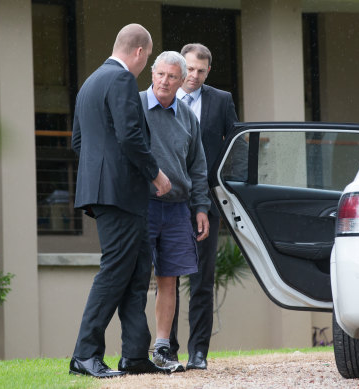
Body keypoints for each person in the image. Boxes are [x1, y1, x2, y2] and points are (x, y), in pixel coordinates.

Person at [69, 24, 172, 378]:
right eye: (147, 59)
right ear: (140, 52)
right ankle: (85, 354)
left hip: (107, 192)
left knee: (137, 271)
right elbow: (129, 135)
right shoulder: (122, 79)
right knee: (115, 271)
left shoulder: (89, 83)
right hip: (122, 193)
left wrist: (100, 178)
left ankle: (134, 355)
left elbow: (79, 142)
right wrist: (154, 174)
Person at [168, 43, 239, 371]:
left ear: (208, 71)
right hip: (166, 202)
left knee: (201, 280)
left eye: (200, 71)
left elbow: (234, 151)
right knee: (168, 277)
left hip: (205, 204)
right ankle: (167, 349)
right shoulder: (161, 96)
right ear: (180, 67)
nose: (193, 77)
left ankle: (198, 352)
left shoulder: (221, 101)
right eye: (189, 70)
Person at [139, 51, 211, 373]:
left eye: (171, 77)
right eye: (159, 75)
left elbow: (198, 168)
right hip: (142, 206)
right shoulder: (136, 106)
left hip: (178, 208)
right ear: (151, 74)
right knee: (136, 278)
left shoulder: (187, 117)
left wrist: (201, 208)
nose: (164, 81)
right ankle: (134, 350)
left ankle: (162, 348)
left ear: (182, 82)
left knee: (169, 279)